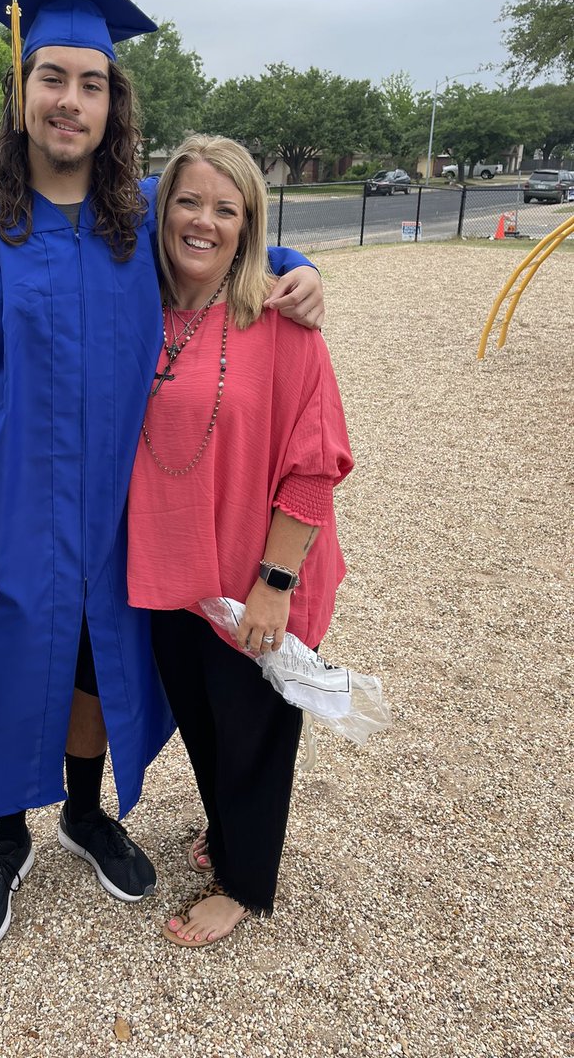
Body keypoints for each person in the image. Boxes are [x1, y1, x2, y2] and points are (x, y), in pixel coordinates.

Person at [0, 0, 325, 953]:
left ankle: (83, 812)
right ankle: (6, 839)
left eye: (91, 83)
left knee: (94, 668)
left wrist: (300, 269)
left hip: (121, 515)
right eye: (52, 78)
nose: (70, 101)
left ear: (112, 103)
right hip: (7, 510)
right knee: (2, 667)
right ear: (22, 90)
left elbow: (227, 231)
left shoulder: (142, 215)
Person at [127, 134, 354, 947]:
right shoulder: (140, 312)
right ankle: (228, 830)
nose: (204, 221)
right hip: (172, 571)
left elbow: (314, 465)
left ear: (249, 224)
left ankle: (245, 881)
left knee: (254, 732)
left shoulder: (282, 322)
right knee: (203, 720)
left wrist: (274, 583)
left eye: (226, 209)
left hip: (255, 579)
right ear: (163, 211)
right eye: (188, 201)